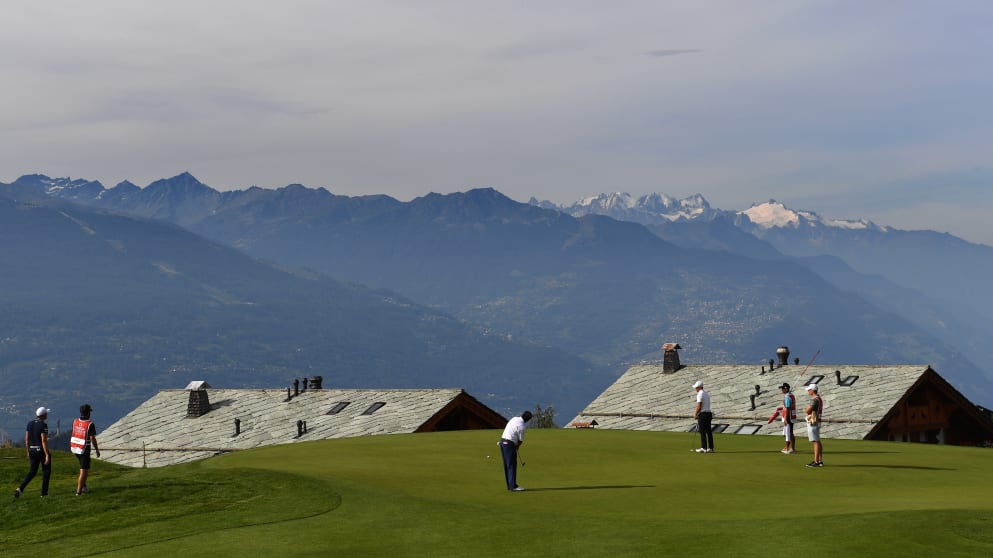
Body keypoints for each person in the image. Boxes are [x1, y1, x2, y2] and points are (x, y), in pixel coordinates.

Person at [14, 407, 52, 498]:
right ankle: (44, 493)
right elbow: (44, 441)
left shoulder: (29, 424)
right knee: (46, 471)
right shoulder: (43, 425)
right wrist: (47, 455)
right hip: (41, 451)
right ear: (43, 415)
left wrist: (28, 451)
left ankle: (20, 488)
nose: (47, 414)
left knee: (32, 471)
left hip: (32, 450)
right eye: (46, 413)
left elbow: (27, 440)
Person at [70, 403, 101, 496]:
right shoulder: (89, 424)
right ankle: (79, 492)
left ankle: (84, 486)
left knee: (82, 468)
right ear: (88, 413)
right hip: (84, 449)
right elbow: (92, 438)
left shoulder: (75, 421)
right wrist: (97, 449)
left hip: (74, 447)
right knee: (84, 470)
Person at [499, 410, 533, 491]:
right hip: (509, 444)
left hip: (502, 441)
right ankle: (513, 486)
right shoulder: (522, 426)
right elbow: (520, 440)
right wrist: (516, 447)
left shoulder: (514, 418)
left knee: (507, 465)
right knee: (512, 465)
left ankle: (509, 485)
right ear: (528, 419)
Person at [804, 384, 824, 467]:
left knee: (815, 442)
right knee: (818, 441)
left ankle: (816, 461)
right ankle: (819, 460)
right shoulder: (819, 399)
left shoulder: (815, 400)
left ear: (812, 390)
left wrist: (807, 407)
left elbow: (807, 411)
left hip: (813, 422)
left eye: (809, 390)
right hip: (817, 421)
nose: (808, 391)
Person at [693, 380, 714, 453]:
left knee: (702, 431)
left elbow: (699, 406)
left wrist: (696, 414)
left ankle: (703, 448)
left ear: (699, 387)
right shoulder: (706, 393)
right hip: (708, 413)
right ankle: (711, 448)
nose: (695, 389)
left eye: (696, 387)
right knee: (709, 431)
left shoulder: (700, 394)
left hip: (703, 414)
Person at [777, 383, 797, 454]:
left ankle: (787, 448)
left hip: (788, 416)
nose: (781, 390)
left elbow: (788, 408)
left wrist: (785, 418)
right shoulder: (791, 395)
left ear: (786, 389)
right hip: (792, 416)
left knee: (788, 433)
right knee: (790, 432)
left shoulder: (787, 397)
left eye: (782, 389)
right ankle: (792, 448)